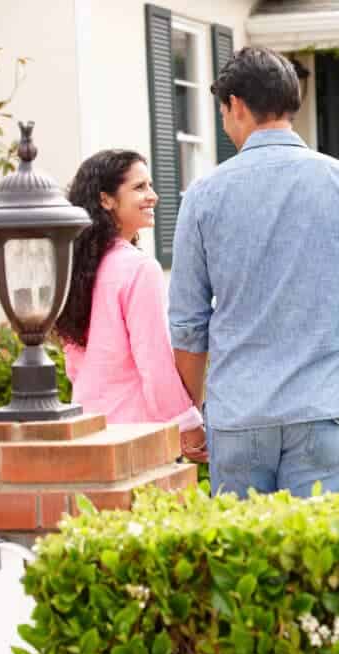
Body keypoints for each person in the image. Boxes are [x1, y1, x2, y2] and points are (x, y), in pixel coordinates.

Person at [168, 47, 339, 499]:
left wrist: (190, 413)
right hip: (324, 406)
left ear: (235, 105)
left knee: (243, 563)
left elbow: (189, 325)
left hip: (238, 413)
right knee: (317, 564)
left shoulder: (203, 196)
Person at [56, 150, 206, 461]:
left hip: (88, 428)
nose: (153, 196)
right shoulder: (138, 268)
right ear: (106, 200)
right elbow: (154, 361)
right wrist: (187, 424)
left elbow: (74, 364)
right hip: (137, 434)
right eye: (139, 187)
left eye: (150, 185)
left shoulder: (74, 269)